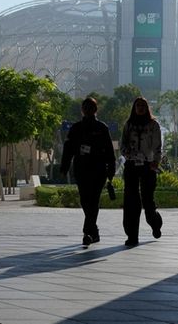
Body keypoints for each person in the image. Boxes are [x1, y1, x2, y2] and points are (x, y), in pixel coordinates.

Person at [59, 97, 116, 247]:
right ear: (82, 110)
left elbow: (110, 151)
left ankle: (87, 232)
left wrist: (111, 169)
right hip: (81, 169)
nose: (88, 109)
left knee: (94, 200)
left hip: (99, 170)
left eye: (91, 107)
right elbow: (68, 149)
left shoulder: (102, 128)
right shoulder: (76, 128)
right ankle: (94, 230)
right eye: (86, 107)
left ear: (95, 110)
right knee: (85, 200)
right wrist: (64, 167)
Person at [120, 96, 163, 247]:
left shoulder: (153, 125)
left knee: (147, 199)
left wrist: (156, 161)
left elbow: (158, 146)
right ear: (134, 108)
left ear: (147, 108)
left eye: (143, 106)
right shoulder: (129, 125)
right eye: (137, 105)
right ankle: (132, 235)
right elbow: (122, 143)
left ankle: (155, 222)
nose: (140, 108)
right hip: (131, 164)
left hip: (148, 165)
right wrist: (127, 153)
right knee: (131, 200)